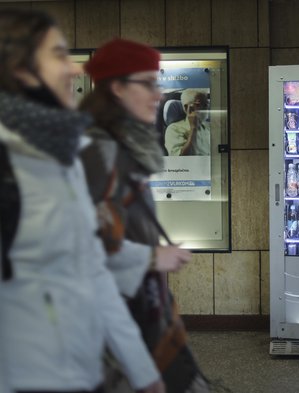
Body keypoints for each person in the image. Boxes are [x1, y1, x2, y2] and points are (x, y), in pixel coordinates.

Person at [0, 9, 164, 393]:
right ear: (21, 69)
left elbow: (91, 270)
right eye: (58, 54)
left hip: (76, 371)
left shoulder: (63, 153)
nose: (76, 69)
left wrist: (144, 372)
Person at [80, 38, 208, 393]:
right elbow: (81, 248)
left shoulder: (121, 147)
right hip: (109, 321)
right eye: (148, 83)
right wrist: (152, 257)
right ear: (117, 88)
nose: (158, 94)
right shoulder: (99, 153)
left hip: (134, 307)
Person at [164, 88, 210, 156]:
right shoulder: (174, 129)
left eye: (206, 104)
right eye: (199, 105)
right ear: (186, 108)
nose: (205, 108)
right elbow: (180, 158)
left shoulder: (208, 127)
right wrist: (193, 128)